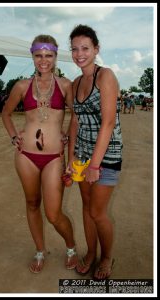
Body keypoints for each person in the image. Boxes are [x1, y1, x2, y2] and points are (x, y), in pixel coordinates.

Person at [2, 34, 78, 273]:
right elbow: (5, 113)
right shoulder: (22, 86)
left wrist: (69, 143)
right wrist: (15, 136)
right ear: (32, 56)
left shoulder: (66, 85)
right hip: (26, 156)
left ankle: (71, 247)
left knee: (54, 214)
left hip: (54, 156)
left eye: (49, 55)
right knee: (32, 203)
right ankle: (39, 250)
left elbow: (76, 116)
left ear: (55, 57)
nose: (43, 60)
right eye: (38, 55)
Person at [67, 24, 123, 280]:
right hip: (82, 154)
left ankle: (107, 256)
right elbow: (75, 122)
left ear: (96, 49)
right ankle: (91, 252)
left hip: (106, 156)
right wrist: (72, 159)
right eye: (75, 49)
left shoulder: (106, 76)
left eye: (85, 48)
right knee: (86, 207)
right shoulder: (76, 82)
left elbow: (108, 123)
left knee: (98, 212)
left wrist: (94, 165)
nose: (80, 53)